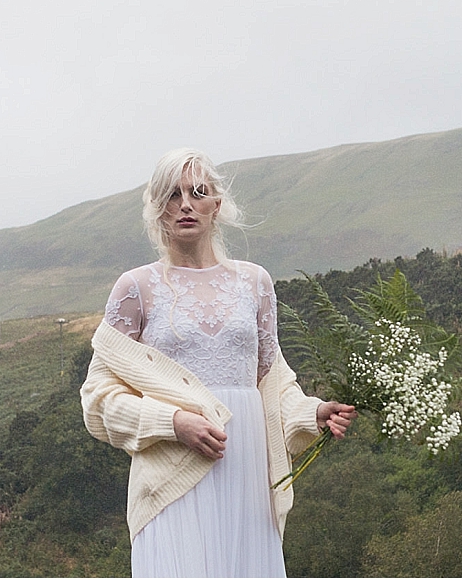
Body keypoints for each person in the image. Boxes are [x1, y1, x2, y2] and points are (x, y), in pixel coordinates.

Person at [81, 148, 356, 577]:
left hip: (247, 472)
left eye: (197, 192)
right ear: (157, 208)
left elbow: (271, 382)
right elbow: (98, 399)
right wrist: (173, 423)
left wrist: (311, 412)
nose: (185, 205)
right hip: (172, 476)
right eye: (172, 195)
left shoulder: (254, 282)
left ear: (217, 205)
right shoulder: (136, 288)